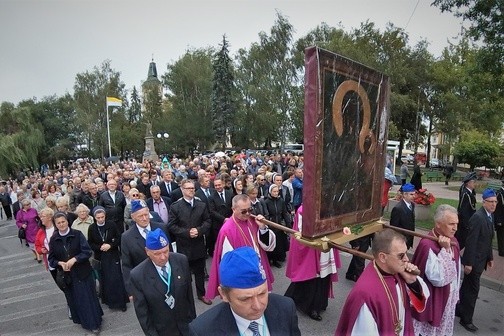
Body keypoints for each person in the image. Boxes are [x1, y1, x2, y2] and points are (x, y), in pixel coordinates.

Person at [335, 229, 429, 336]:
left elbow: (418, 303)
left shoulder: (397, 272)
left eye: (406, 253)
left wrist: (412, 281)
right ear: (383, 257)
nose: (407, 259)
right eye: (401, 255)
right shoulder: (365, 294)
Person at [189, 246, 301, 336]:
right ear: (224, 294)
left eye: (262, 293)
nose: (258, 306)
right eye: (245, 299)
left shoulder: (286, 308)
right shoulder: (202, 331)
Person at [205, 194, 276, 300]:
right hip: (243, 273)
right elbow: (228, 262)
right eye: (243, 211)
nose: (248, 214)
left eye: (250, 209)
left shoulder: (253, 220)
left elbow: (267, 246)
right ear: (233, 209)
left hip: (259, 266)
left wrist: (262, 228)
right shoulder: (227, 230)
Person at [130, 228, 196, 336]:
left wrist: (193, 322)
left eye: (166, 251)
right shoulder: (138, 275)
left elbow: (189, 295)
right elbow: (143, 314)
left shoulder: (181, 260)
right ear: (147, 251)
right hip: (163, 330)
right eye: (157, 253)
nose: (163, 257)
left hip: (186, 326)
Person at [48, 211, 103, 334]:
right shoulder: (54, 239)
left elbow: (87, 251)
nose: (61, 224)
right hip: (68, 276)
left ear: (68, 221)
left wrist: (75, 259)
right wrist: (60, 263)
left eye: (63, 221)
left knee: (88, 299)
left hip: (83, 272)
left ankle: (94, 323)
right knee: (76, 300)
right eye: (58, 223)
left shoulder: (77, 235)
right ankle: (84, 321)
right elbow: (51, 259)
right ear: (55, 225)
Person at [411, 204, 461, 336]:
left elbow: (456, 271)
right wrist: (445, 250)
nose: (455, 228)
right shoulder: (427, 244)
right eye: (451, 224)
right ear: (438, 224)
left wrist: (455, 293)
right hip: (433, 300)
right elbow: (438, 279)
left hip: (447, 300)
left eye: (456, 223)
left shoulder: (453, 240)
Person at [285, 205, 340, 321]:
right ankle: (312, 308)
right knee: (312, 277)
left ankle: (320, 303)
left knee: (324, 276)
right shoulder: (302, 210)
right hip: (313, 248)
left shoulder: (329, 206)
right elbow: (301, 232)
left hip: (327, 245)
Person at [456, 188, 496, 332]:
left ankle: (459, 309)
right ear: (484, 202)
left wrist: (490, 257)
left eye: (495, 202)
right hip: (473, 262)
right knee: (472, 290)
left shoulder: (489, 216)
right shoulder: (478, 217)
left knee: (467, 287)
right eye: (491, 202)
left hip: (481, 260)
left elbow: (487, 240)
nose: (494, 204)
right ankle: (466, 320)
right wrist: (468, 263)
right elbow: (471, 242)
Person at [168, 179, 212, 305]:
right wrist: (187, 233)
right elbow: (172, 226)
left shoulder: (201, 205)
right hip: (184, 246)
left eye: (193, 188)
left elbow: (207, 221)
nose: (191, 190)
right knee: (184, 275)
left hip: (198, 244)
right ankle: (186, 297)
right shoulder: (175, 207)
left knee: (200, 272)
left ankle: (201, 294)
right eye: (188, 188)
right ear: (182, 190)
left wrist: (199, 230)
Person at [121, 199, 168, 298]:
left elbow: (170, 252)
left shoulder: (161, 228)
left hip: (165, 277)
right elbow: (126, 265)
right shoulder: (127, 237)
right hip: (144, 282)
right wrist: (130, 290)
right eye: (140, 216)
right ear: (133, 217)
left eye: (146, 215)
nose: (144, 218)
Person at [88, 206, 129, 311]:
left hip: (112, 254)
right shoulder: (92, 228)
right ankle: (110, 301)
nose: (101, 219)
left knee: (116, 278)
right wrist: (100, 247)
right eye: (98, 218)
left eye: (102, 217)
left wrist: (110, 245)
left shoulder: (111, 224)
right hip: (101, 256)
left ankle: (121, 303)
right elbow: (91, 243)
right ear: (95, 217)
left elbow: (119, 237)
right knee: (105, 279)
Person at [264, 184, 291, 268]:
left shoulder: (281, 200)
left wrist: (288, 224)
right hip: (271, 226)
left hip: (279, 225)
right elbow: (266, 214)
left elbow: (284, 212)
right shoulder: (266, 202)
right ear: (270, 192)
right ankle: (271, 260)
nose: (276, 193)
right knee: (272, 244)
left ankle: (277, 259)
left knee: (279, 243)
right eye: (274, 191)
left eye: (277, 191)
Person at [390, 183, 416, 249]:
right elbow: (393, 227)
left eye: (414, 194)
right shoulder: (398, 208)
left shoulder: (412, 205)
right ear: (404, 194)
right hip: (401, 240)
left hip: (409, 238)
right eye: (411, 194)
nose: (414, 196)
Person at [456, 172, 477, 250]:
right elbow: (463, 210)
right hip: (464, 222)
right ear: (468, 183)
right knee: (461, 240)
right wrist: (466, 224)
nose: (475, 184)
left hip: (468, 221)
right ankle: (455, 253)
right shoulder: (466, 194)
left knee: (464, 240)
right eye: (473, 182)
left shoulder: (470, 193)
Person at [494, 179, 504, 256]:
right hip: (500, 219)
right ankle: (501, 251)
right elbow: (497, 209)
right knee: (501, 236)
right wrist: (498, 220)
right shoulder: (499, 194)